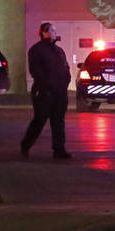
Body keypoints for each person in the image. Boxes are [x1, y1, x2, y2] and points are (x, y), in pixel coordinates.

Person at [20, 22, 72, 159]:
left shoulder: (59, 51)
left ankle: (59, 150)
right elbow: (35, 70)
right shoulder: (36, 50)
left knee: (58, 121)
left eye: (55, 30)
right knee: (40, 120)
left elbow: (65, 68)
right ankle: (25, 145)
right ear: (44, 33)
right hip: (44, 92)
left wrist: (65, 82)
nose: (55, 33)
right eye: (52, 30)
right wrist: (46, 86)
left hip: (60, 92)